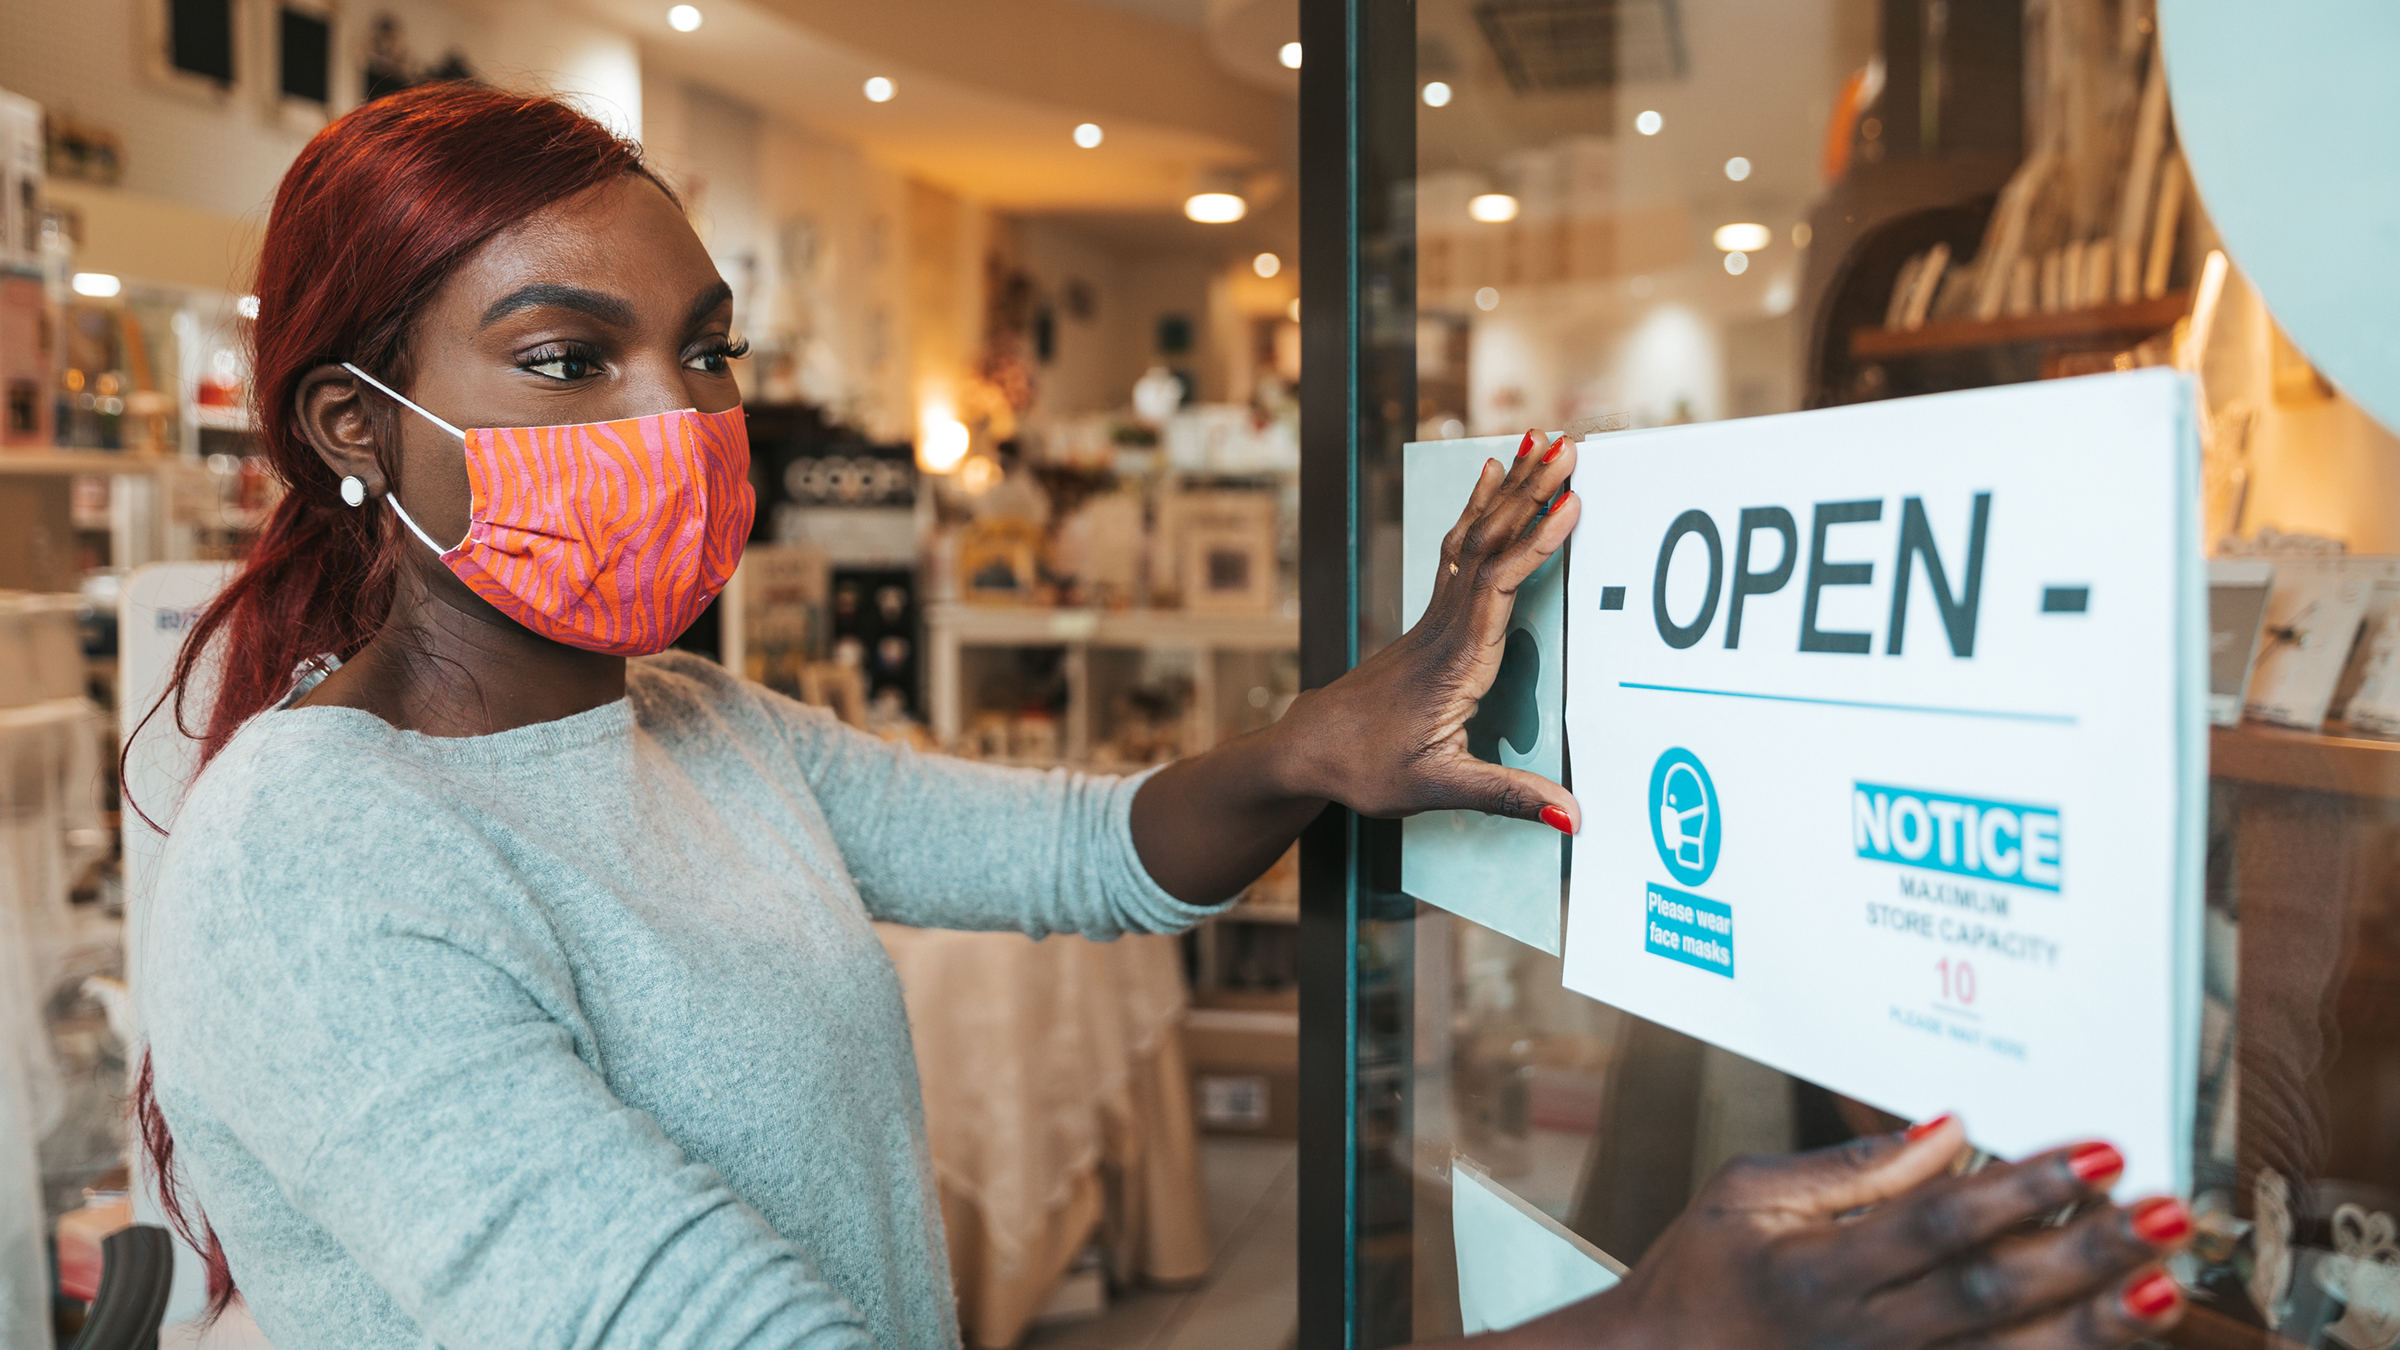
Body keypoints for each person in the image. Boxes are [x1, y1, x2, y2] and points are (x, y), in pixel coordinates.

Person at [134, 83, 2192, 1350]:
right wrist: (1646, 1334)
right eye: (569, 363)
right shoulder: (316, 855)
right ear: (352, 430)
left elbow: (1066, 853)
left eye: (704, 352)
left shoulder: (697, 726)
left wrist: (1324, 740)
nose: (678, 423)